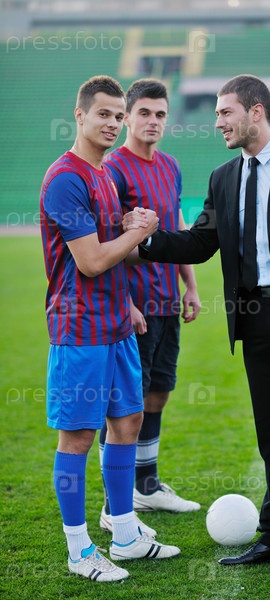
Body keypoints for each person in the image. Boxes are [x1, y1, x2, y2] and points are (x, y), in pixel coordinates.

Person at [126, 74, 270, 585]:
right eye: (216, 113)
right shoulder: (224, 177)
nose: (217, 123)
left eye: (225, 112)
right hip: (254, 321)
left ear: (256, 112)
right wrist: (145, 240)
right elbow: (199, 243)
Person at [39, 75, 180, 583]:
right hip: (79, 329)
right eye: (104, 114)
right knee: (78, 437)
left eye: (119, 116)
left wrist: (134, 239)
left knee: (128, 421)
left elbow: (116, 252)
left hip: (116, 322)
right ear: (79, 115)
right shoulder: (66, 178)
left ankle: (124, 533)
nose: (113, 123)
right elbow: (93, 261)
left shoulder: (103, 175)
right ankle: (80, 550)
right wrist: (138, 232)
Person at [98, 79, 201, 535]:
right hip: (132, 308)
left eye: (160, 114)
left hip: (165, 302)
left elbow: (175, 228)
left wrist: (190, 286)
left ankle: (147, 485)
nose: (153, 121)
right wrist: (124, 303)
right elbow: (107, 241)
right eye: (144, 113)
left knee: (158, 393)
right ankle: (113, 504)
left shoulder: (170, 166)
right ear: (127, 117)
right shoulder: (113, 168)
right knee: (126, 407)